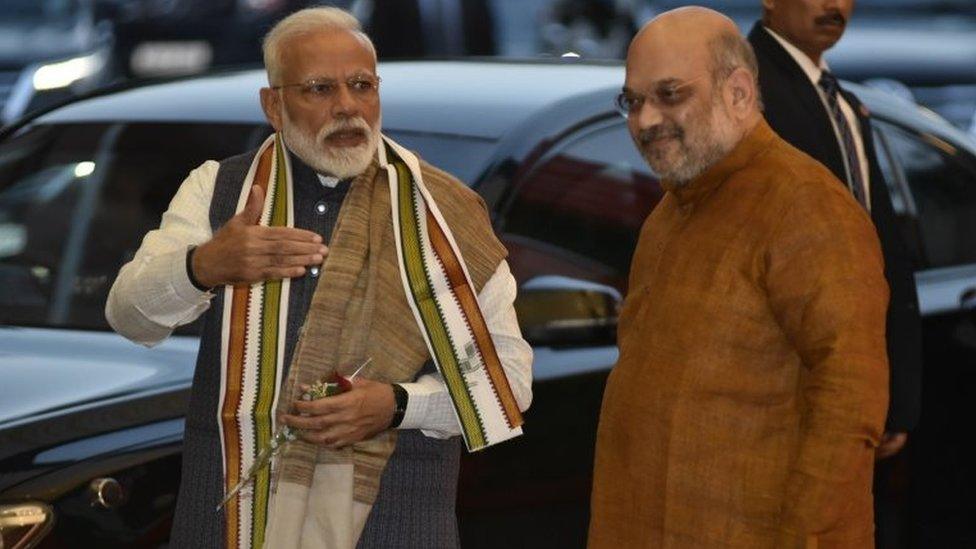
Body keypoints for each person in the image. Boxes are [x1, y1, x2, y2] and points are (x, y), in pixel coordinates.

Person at [105, 7, 532, 548]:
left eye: (361, 86)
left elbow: (509, 381)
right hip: (237, 524)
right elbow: (128, 318)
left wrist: (399, 405)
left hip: (394, 525)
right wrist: (204, 266)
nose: (347, 107)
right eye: (319, 89)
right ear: (274, 105)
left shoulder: (445, 212)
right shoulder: (221, 190)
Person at [588, 7, 889, 548]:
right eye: (632, 102)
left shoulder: (807, 206)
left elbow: (849, 404)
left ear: (740, 93)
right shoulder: (670, 213)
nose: (645, 120)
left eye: (670, 94)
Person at [748, 0, 922, 463]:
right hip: (788, 392)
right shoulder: (745, 91)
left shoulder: (839, 99)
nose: (834, 5)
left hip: (851, 381)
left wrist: (894, 397)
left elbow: (879, 246)